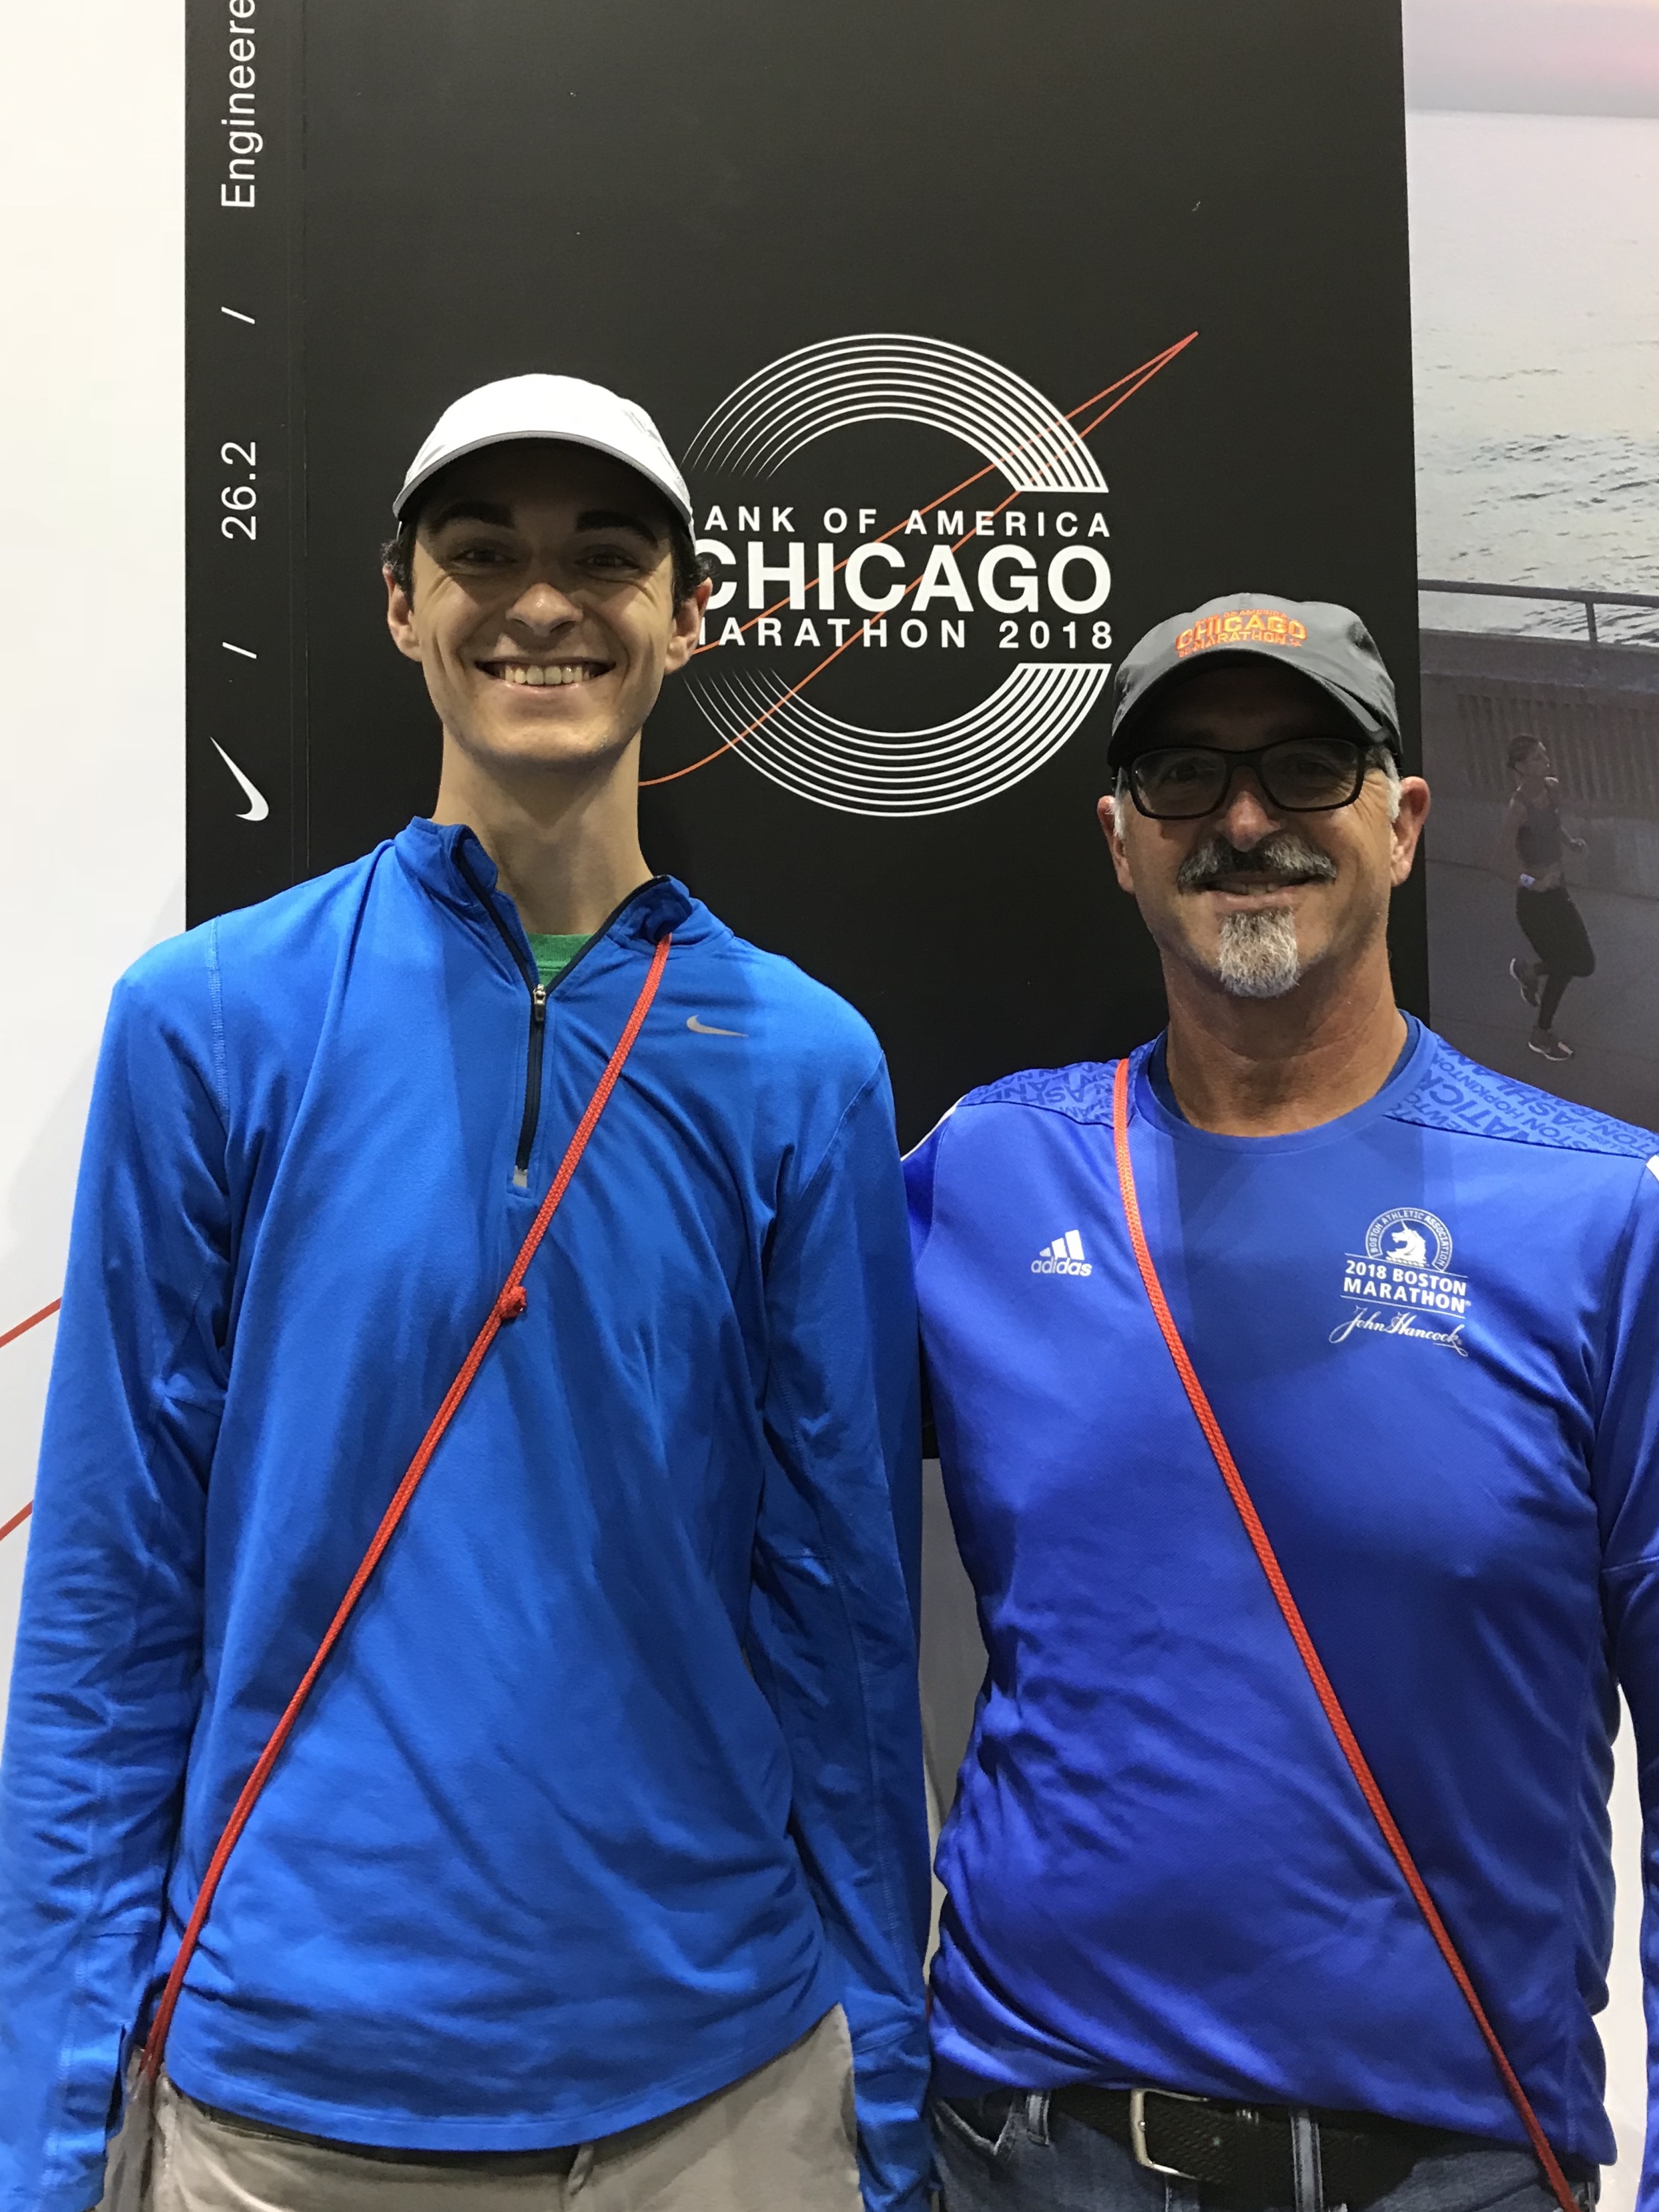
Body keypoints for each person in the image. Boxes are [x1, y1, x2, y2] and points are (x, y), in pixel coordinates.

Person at [0, 374, 930, 2212]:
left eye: (605, 557)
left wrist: (880, 2092)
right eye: (483, 554)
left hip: (718, 2089)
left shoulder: (804, 1063)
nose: (542, 603)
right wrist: (48, 2134)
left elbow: (842, 1619)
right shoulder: (209, 1018)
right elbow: (110, 1607)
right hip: (286, 2099)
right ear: (400, 604)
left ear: (688, 613)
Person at [906, 594, 1659, 2212]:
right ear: (1119, 840)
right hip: (1033, 2151)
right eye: (1183, 776)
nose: (1244, 820)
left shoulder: (1607, 1216)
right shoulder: (982, 1172)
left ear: (1404, 822)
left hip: (1454, 2171)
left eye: (1306, 766)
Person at [1496, 733, 1594, 1062]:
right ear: (1521, 766)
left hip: (1558, 891)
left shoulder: (1552, 788)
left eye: (1544, 755)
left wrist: (1570, 842)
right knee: (1565, 965)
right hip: (1534, 904)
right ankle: (1542, 1034)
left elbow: (1553, 825)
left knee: (1585, 963)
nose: (1546, 761)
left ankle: (1531, 972)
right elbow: (1500, 860)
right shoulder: (1518, 808)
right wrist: (1532, 883)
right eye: (1538, 758)